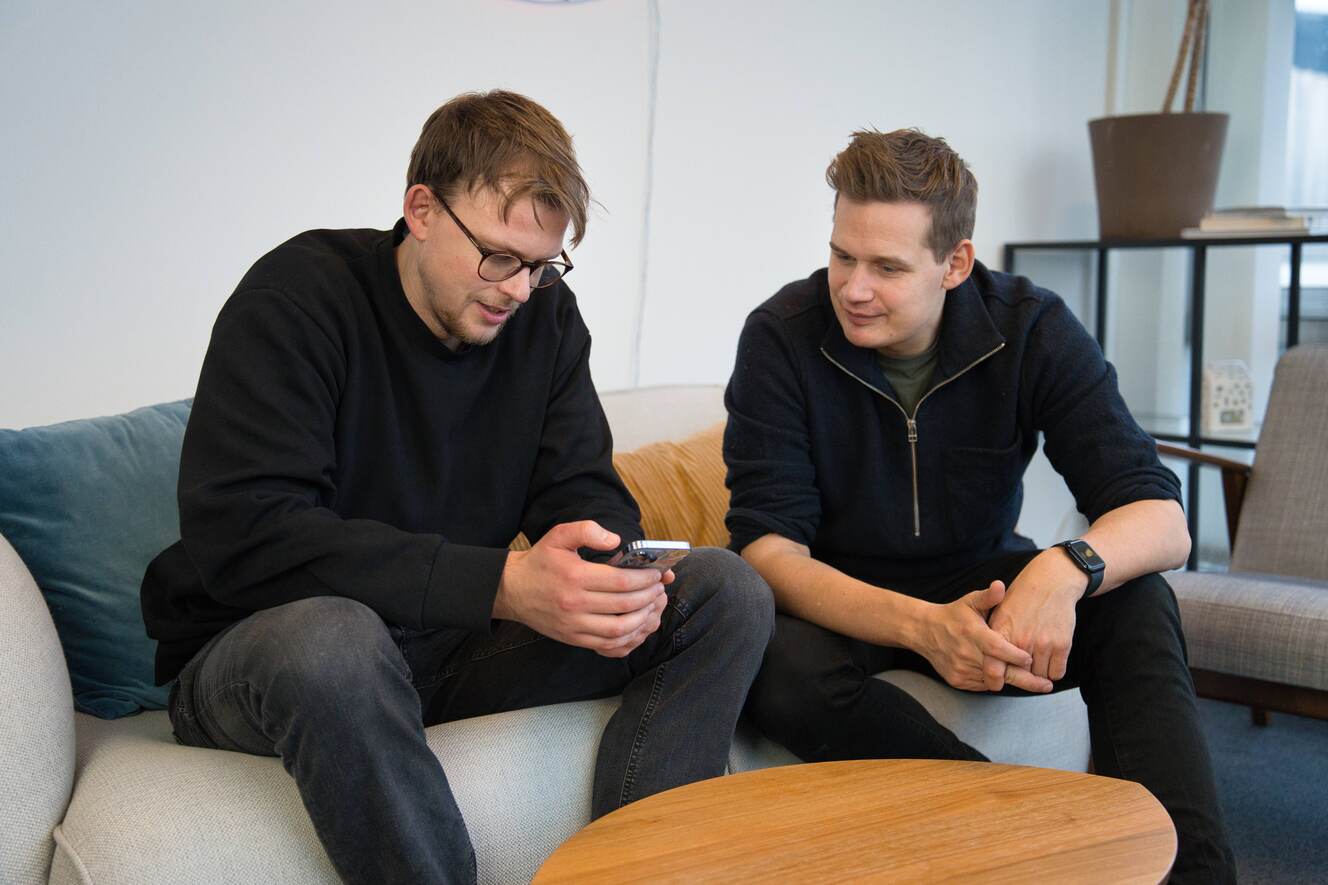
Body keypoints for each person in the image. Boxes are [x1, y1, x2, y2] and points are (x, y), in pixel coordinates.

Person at [140, 90, 774, 885]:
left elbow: (581, 486)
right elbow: (249, 537)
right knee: (333, 637)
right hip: (265, 653)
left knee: (726, 591)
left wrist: (612, 575)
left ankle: (634, 873)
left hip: (446, 645)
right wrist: (505, 583)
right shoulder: (296, 300)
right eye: (498, 256)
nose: (516, 288)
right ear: (422, 209)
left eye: (541, 265)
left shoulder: (542, 322)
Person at [724, 128, 1235, 882]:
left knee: (1139, 602)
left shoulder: (1029, 327)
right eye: (842, 255)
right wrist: (923, 628)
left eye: (887, 267)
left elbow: (1161, 519)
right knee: (769, 657)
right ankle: (1017, 830)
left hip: (988, 580)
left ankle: (1192, 875)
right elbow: (767, 551)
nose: (853, 288)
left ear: (955, 263)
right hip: (847, 601)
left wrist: (1064, 570)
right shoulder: (781, 337)